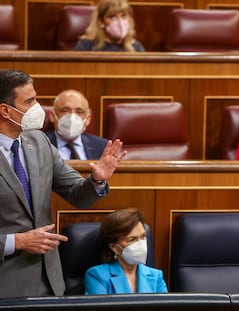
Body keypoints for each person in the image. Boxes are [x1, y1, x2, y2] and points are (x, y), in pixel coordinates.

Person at [0, 69, 127, 298]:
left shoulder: (38, 141)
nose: (39, 108)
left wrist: (97, 180)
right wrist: (16, 241)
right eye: (30, 102)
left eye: (36, 98)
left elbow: (77, 194)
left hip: (49, 284)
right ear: (5, 110)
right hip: (5, 284)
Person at [84, 208, 168, 294]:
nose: (140, 243)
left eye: (143, 237)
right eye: (132, 239)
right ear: (114, 247)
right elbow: (100, 307)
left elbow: (164, 307)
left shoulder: (156, 276)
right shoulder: (97, 276)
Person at [45, 89, 108, 160]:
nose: (72, 117)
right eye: (65, 110)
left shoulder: (103, 146)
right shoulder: (39, 145)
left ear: (88, 119)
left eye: (79, 112)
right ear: (52, 116)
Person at [75, 0, 145, 52]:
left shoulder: (136, 47)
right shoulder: (86, 45)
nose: (120, 22)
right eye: (113, 17)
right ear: (101, 22)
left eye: (124, 16)